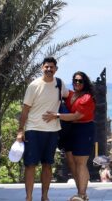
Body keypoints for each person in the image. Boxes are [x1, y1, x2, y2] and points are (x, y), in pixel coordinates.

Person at [17, 57, 68, 201]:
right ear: (42, 68)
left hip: (52, 131)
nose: (49, 69)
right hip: (33, 130)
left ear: (56, 69)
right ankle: (29, 197)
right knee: (30, 165)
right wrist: (20, 131)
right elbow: (25, 110)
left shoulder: (59, 84)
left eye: (52, 67)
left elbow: (70, 96)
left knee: (47, 164)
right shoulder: (34, 86)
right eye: (46, 67)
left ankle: (45, 197)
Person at [46, 70, 95, 201]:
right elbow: (56, 89)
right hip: (69, 130)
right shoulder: (71, 95)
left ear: (85, 83)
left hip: (84, 129)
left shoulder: (87, 98)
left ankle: (82, 194)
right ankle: (80, 193)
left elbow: (76, 116)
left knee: (81, 163)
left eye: (80, 81)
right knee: (71, 163)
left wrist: (56, 116)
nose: (77, 83)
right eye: (75, 80)